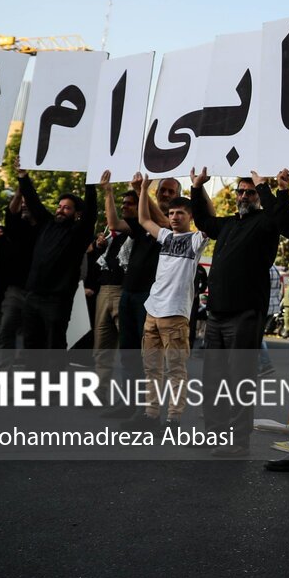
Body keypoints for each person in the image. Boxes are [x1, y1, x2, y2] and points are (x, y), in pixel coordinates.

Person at [188, 167, 289, 457]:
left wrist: (270, 188)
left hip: (245, 314)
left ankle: (237, 440)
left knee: (238, 380)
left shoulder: (266, 223)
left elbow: (282, 220)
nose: (244, 196)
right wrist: (196, 188)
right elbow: (203, 220)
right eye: (241, 191)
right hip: (217, 314)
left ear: (258, 196)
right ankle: (215, 435)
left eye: (250, 192)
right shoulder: (229, 223)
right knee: (213, 380)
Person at [124, 178, 207, 431]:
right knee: (151, 367)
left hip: (175, 315)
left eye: (180, 213)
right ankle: (151, 414)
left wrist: (199, 187)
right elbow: (143, 219)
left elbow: (210, 219)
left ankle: (173, 419)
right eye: (171, 213)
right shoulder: (166, 236)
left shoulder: (196, 239)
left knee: (175, 370)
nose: (174, 217)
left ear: (190, 216)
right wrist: (143, 189)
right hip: (153, 311)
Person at [101, 174, 177, 418]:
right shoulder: (143, 221)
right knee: (129, 353)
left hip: (149, 297)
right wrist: (108, 191)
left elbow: (162, 222)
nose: (165, 194)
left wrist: (141, 190)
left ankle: (146, 409)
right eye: (162, 190)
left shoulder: (174, 223)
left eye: (171, 191)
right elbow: (114, 223)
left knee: (148, 357)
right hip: (129, 292)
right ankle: (129, 402)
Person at [16, 159, 98, 357]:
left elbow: (91, 213)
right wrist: (23, 176)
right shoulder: (47, 224)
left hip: (56, 300)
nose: (60, 210)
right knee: (31, 346)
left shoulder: (79, 233)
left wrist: (90, 180)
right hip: (33, 296)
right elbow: (33, 202)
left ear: (77, 214)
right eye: (59, 206)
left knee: (54, 346)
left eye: (67, 208)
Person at [89, 188, 131, 389]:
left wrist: (108, 192)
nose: (124, 207)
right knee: (102, 346)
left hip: (124, 291)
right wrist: (100, 246)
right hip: (104, 290)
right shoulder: (111, 233)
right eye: (123, 204)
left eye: (129, 203)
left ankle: (129, 396)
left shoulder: (138, 228)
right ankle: (100, 391)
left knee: (128, 348)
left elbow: (114, 221)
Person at [0, 187, 38, 370]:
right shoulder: (17, 227)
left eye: (28, 203)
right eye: (22, 203)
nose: (24, 206)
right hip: (16, 290)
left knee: (33, 335)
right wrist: (20, 192)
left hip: (40, 292)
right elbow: (12, 212)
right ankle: (2, 372)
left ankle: (30, 374)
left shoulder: (47, 228)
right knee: (6, 329)